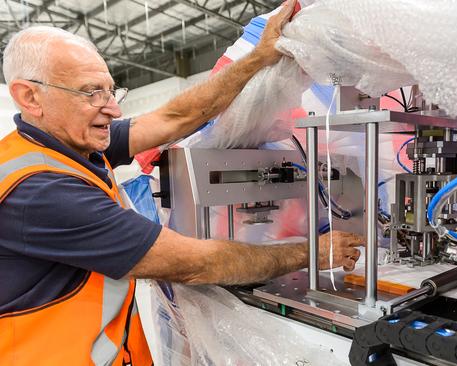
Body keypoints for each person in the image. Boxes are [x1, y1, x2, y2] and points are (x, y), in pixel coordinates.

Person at [0, 0, 363, 364]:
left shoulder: (72, 142)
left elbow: (176, 116)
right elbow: (195, 262)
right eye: (91, 92)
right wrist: (312, 252)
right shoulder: (40, 189)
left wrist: (258, 58)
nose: (113, 109)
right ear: (29, 96)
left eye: (111, 91)